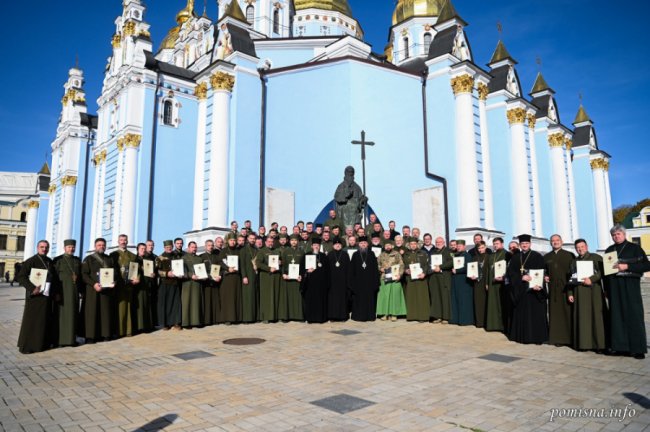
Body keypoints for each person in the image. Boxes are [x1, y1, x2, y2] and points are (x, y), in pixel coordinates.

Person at [604, 224, 650, 359]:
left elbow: (647, 265)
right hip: (614, 286)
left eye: (618, 234)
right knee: (616, 317)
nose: (616, 236)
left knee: (634, 316)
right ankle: (619, 347)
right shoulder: (609, 250)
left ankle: (638, 348)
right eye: (613, 235)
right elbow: (606, 272)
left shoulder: (635, 248)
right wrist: (606, 289)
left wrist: (627, 266)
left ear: (624, 234)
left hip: (630, 285)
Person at [507, 234, 548, 344]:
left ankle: (536, 337)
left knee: (534, 314)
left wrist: (538, 284)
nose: (524, 245)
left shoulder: (537, 256)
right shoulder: (515, 258)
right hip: (521, 291)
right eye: (522, 244)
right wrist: (521, 277)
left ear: (530, 244)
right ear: (520, 245)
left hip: (534, 291)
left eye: (526, 243)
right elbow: (510, 273)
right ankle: (521, 336)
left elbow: (541, 272)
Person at [16, 240, 54, 354]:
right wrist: (32, 288)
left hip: (46, 296)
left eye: (46, 247)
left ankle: (40, 344)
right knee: (31, 321)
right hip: (34, 297)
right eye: (42, 247)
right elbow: (21, 276)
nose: (44, 249)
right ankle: (27, 346)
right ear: (37, 248)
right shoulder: (31, 261)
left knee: (42, 322)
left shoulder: (49, 261)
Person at [568, 239, 606, 352]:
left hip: (594, 291)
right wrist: (570, 293)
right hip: (579, 292)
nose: (580, 249)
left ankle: (599, 345)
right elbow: (571, 277)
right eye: (578, 247)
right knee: (583, 318)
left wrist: (592, 279)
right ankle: (584, 344)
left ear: (587, 246)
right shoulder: (574, 261)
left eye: (582, 246)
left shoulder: (596, 257)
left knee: (596, 318)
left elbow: (602, 272)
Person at [82, 238, 117, 341]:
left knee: (105, 312)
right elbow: (84, 274)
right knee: (92, 313)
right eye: (99, 245)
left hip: (106, 290)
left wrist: (114, 281)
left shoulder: (109, 259)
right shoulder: (88, 259)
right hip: (93, 290)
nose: (101, 247)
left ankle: (105, 334)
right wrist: (93, 284)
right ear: (95, 246)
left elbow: (115, 273)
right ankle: (90, 336)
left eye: (103, 245)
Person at [544, 234, 575, 346]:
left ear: (561, 241)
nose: (555, 242)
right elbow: (544, 271)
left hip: (566, 287)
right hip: (553, 289)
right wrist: (545, 276)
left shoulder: (569, 255)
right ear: (550, 243)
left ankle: (569, 338)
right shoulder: (547, 257)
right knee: (555, 313)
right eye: (553, 241)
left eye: (557, 240)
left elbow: (574, 272)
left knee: (567, 312)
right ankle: (556, 338)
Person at [52, 239, 82, 347]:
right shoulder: (58, 260)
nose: (71, 249)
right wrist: (56, 292)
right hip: (63, 292)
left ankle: (71, 339)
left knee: (73, 315)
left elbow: (81, 277)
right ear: (64, 248)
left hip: (74, 292)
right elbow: (54, 278)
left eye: (73, 247)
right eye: (69, 247)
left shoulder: (77, 260)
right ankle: (60, 340)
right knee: (61, 316)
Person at [110, 234, 139, 337]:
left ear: (127, 242)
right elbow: (110, 270)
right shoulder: (113, 255)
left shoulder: (132, 255)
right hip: (118, 286)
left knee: (129, 307)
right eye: (121, 240)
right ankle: (118, 331)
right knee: (119, 308)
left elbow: (136, 269)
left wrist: (136, 278)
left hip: (129, 285)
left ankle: (128, 330)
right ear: (118, 242)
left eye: (125, 240)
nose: (123, 242)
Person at [348, 236, 379, 321]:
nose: (363, 245)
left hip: (369, 283)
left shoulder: (372, 254)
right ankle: (358, 316)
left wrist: (375, 282)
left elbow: (375, 269)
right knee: (359, 300)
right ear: (359, 244)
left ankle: (369, 316)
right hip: (358, 283)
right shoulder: (355, 255)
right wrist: (352, 283)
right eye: (361, 243)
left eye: (365, 243)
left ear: (367, 244)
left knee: (369, 300)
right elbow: (351, 270)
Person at [376, 241, 406, 321]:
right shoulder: (381, 255)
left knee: (394, 296)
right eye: (386, 245)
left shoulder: (397, 254)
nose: (388, 247)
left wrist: (400, 274)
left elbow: (401, 265)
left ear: (392, 246)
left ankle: (394, 314)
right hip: (384, 277)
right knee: (385, 296)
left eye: (389, 245)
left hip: (395, 277)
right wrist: (380, 268)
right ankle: (385, 314)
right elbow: (377, 264)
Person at [403, 237, 430, 322]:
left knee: (422, 297)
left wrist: (424, 273)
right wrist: (406, 270)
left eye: (414, 244)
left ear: (417, 244)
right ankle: (412, 316)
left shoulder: (423, 253)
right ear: (409, 245)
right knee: (411, 297)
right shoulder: (406, 254)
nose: (413, 245)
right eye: (411, 244)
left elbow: (427, 265)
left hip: (421, 278)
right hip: (410, 279)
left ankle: (423, 317)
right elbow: (403, 265)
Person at [156, 240, 182, 330]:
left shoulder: (176, 256)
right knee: (165, 304)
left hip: (175, 283)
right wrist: (167, 274)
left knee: (176, 304)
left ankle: (176, 322)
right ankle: (165, 324)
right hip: (165, 283)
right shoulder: (160, 258)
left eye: (170, 247)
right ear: (164, 248)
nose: (169, 249)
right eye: (167, 247)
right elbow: (157, 271)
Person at [301, 239, 329, 323]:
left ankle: (321, 318)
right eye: (314, 245)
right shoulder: (307, 255)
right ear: (311, 246)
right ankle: (310, 318)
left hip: (321, 284)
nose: (316, 246)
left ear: (319, 246)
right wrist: (306, 271)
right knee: (310, 301)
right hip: (310, 283)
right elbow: (301, 268)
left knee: (321, 301)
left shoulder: (323, 256)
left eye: (318, 245)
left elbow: (328, 271)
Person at [218, 234, 243, 324]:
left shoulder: (238, 250)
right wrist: (228, 268)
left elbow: (241, 263)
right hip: (227, 277)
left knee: (236, 297)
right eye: (231, 240)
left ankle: (236, 318)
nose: (233, 242)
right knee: (227, 298)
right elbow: (220, 261)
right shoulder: (224, 251)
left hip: (236, 277)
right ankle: (227, 318)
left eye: (234, 240)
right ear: (228, 241)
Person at [257, 236, 281, 322]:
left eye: (272, 241)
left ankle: (274, 316)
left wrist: (280, 262)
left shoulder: (277, 251)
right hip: (266, 276)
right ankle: (265, 317)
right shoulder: (262, 251)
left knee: (275, 296)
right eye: (269, 241)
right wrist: (268, 268)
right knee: (266, 297)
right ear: (265, 242)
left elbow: (281, 261)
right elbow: (258, 263)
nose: (270, 243)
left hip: (275, 277)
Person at [428, 236, 453, 323]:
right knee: (436, 297)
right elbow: (429, 263)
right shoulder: (433, 252)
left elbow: (451, 262)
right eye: (437, 242)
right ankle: (437, 316)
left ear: (444, 242)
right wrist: (432, 268)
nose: (438, 243)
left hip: (443, 276)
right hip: (434, 277)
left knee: (444, 296)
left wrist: (441, 267)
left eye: (440, 242)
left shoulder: (448, 251)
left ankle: (445, 317)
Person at [450, 240, 473, 326]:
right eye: (457, 245)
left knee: (463, 300)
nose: (458, 247)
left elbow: (468, 266)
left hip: (463, 281)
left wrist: (458, 270)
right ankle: (456, 319)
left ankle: (465, 320)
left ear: (464, 246)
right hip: (456, 280)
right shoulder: (456, 255)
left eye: (460, 245)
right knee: (456, 299)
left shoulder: (467, 255)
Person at [491, 237, 512, 332]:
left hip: (504, 284)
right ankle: (495, 325)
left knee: (503, 305)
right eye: (494, 244)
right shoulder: (492, 255)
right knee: (494, 305)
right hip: (493, 283)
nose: (496, 245)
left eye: (497, 243)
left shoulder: (507, 254)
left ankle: (503, 326)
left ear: (502, 244)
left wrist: (504, 278)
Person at [327, 237, 350, 321]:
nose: (337, 245)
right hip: (332, 281)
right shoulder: (330, 254)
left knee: (343, 299)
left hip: (342, 281)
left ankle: (343, 316)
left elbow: (348, 268)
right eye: (336, 244)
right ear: (333, 246)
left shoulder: (345, 254)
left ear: (341, 245)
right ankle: (332, 316)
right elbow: (327, 269)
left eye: (339, 244)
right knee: (332, 299)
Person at [282, 234, 304, 321]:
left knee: (298, 298)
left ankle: (298, 316)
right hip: (288, 278)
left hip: (297, 278)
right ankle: (287, 316)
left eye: (295, 240)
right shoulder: (286, 251)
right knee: (288, 297)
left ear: (298, 242)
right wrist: (284, 274)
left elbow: (303, 266)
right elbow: (283, 264)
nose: (294, 242)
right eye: (292, 240)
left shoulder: (301, 252)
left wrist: (301, 275)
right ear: (289, 242)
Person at [200, 240, 221, 326]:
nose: (211, 247)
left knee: (214, 301)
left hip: (216, 281)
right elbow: (200, 270)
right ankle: (207, 320)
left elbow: (220, 267)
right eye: (209, 245)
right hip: (207, 282)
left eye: (212, 245)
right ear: (205, 246)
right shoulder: (201, 257)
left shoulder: (216, 256)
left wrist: (219, 275)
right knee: (207, 301)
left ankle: (215, 320)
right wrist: (210, 277)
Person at [134, 243, 153, 333]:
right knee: (139, 306)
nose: (143, 250)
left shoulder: (147, 260)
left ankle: (146, 326)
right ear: (138, 249)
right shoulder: (134, 259)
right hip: (137, 286)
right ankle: (139, 327)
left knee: (146, 305)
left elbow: (150, 272)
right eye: (142, 248)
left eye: (144, 248)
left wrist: (152, 275)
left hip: (146, 285)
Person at [240, 234, 259, 323]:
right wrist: (244, 276)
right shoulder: (243, 250)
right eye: (251, 238)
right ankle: (247, 318)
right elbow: (242, 264)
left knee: (254, 295)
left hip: (255, 274)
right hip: (247, 275)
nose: (252, 240)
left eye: (254, 238)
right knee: (248, 296)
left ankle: (254, 317)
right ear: (247, 239)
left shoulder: (256, 249)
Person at [472, 241, 490, 328]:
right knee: (478, 302)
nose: (480, 250)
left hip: (485, 282)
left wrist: (487, 282)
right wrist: (472, 276)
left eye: (482, 248)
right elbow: (471, 269)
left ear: (485, 247)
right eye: (479, 248)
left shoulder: (489, 257)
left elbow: (490, 271)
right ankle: (479, 322)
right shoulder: (475, 258)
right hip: (477, 282)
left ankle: (486, 322)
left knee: (485, 302)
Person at [144, 240, 159, 328]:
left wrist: (155, 274)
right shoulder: (143, 256)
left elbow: (158, 270)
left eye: (152, 245)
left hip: (153, 283)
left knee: (153, 303)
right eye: (149, 245)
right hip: (145, 283)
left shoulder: (155, 257)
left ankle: (153, 323)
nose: (151, 246)